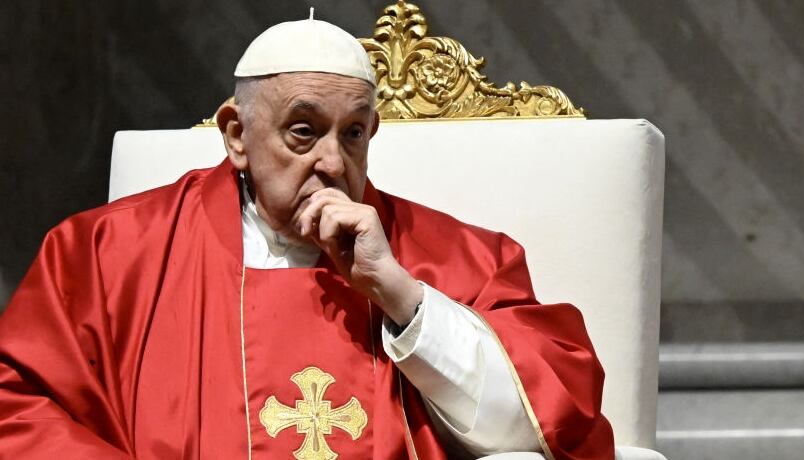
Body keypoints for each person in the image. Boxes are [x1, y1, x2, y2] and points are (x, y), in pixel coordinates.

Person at [0, 15, 613, 460]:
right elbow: (18, 408)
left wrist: (401, 297)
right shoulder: (108, 254)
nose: (330, 161)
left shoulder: (462, 258)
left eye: (352, 134)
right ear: (237, 134)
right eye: (302, 130)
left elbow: (551, 425)